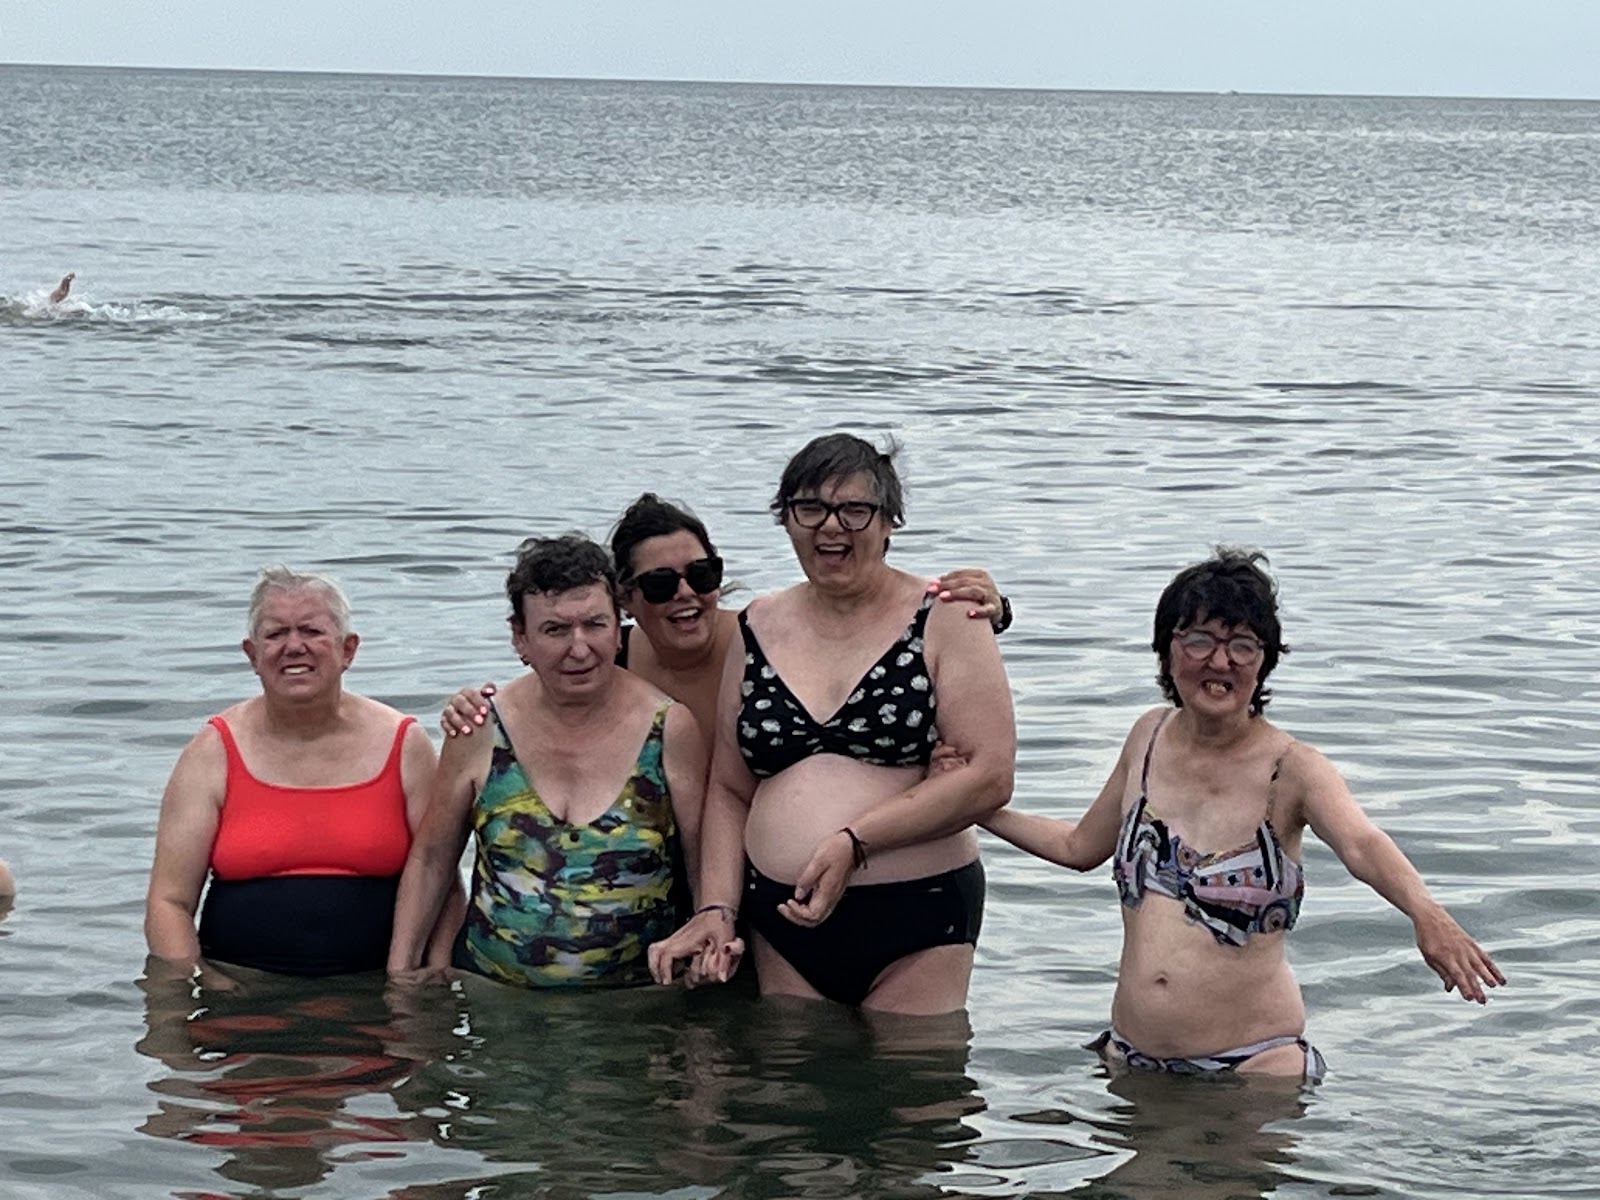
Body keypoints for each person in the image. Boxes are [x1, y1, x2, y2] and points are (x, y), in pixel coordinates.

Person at [979, 548, 1504, 1081]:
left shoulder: (1293, 768)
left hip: (1253, 1070)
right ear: (1167, 651)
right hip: (1134, 1063)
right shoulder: (1147, 736)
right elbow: (1078, 846)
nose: (1220, 661)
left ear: (1264, 661)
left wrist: (1426, 914)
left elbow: (1361, 843)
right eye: (1200, 640)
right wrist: (979, 809)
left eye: (1242, 645)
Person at [648, 433, 1017, 1013]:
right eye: (810, 508)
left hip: (916, 913)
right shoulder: (756, 625)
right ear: (787, 521)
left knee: (917, 1067)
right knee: (793, 1071)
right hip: (782, 920)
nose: (831, 526)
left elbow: (990, 775)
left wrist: (855, 842)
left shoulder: (947, 616)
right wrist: (716, 909)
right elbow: (730, 787)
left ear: (889, 521)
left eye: (854, 510)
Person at [388, 534, 708, 988]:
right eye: (555, 630)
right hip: (495, 996)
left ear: (618, 626)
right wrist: (400, 978)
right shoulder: (481, 728)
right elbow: (433, 858)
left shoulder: (669, 729)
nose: (579, 648)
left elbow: (702, 864)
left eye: (595, 624)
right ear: (520, 637)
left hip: (637, 1004)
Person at [441, 492, 1011, 745]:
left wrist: (992, 612)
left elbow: (872, 641)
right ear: (625, 601)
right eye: (660, 584)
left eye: (702, 574)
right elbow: (540, 677)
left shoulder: (764, 639)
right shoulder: (607, 655)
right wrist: (470, 706)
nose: (686, 594)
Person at [144, 566, 460, 976]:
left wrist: (428, 982)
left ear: (348, 650)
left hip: (379, 991)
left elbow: (443, 882)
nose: (294, 646)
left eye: (311, 631)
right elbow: (168, 902)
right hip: (240, 990)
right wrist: (197, 983)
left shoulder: (406, 744)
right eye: (276, 634)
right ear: (252, 655)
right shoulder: (212, 750)